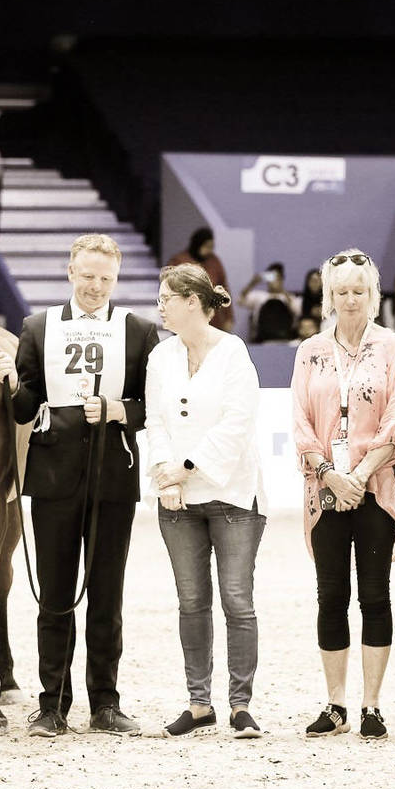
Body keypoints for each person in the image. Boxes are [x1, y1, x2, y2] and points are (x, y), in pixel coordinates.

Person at [0, 233, 161, 738]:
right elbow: (24, 409)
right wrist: (13, 384)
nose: (96, 286)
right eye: (87, 276)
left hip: (113, 476)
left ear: (116, 278)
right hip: (54, 477)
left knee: (107, 595)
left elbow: (153, 407)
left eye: (105, 278)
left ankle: (105, 703)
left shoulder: (139, 331)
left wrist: (118, 411)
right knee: (56, 595)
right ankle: (52, 704)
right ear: (70, 272)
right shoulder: (37, 328)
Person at [290, 249, 395, 740]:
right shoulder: (310, 351)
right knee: (330, 596)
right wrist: (328, 474)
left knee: (375, 596)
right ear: (329, 296)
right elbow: (299, 420)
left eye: (359, 290)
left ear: (373, 293)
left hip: (376, 489)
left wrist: (358, 475)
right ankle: (336, 703)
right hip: (324, 490)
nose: (350, 299)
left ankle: (372, 706)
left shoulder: (394, 346)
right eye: (341, 291)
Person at [145, 263, 267, 739]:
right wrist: (166, 477)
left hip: (233, 495)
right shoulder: (161, 357)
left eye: (166, 298)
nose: (160, 306)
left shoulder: (234, 352)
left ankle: (240, 706)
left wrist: (187, 468)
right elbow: (155, 422)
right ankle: (199, 704)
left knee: (237, 601)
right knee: (191, 602)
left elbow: (237, 424)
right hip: (176, 500)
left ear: (192, 303)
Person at [170, 227, 234, 333]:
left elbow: (224, 288)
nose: (208, 250)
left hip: (213, 318)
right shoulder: (179, 261)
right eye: (206, 246)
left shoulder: (214, 261)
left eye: (211, 247)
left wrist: (228, 317)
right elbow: (171, 289)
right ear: (197, 244)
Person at [240, 262, 299, 343]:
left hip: (286, 338)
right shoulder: (259, 296)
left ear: (282, 279)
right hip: (263, 339)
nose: (274, 281)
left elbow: (297, 310)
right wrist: (253, 283)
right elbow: (241, 300)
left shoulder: (288, 297)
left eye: (277, 278)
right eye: (271, 277)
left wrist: (281, 290)